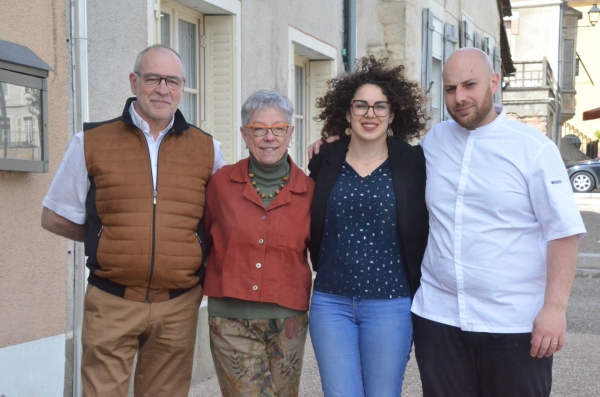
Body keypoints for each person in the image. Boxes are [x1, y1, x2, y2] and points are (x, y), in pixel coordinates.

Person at [41, 44, 226, 397]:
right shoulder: (91, 142)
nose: (162, 89)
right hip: (112, 301)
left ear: (183, 86)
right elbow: (54, 216)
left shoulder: (207, 148)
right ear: (133, 82)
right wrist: (105, 237)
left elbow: (224, 216)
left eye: (172, 81)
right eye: (153, 78)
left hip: (178, 304)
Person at [409, 47, 586, 396]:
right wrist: (338, 143)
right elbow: (385, 162)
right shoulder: (434, 141)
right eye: (450, 89)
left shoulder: (533, 149)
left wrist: (554, 308)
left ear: (493, 82)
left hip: (512, 323)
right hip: (439, 318)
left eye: (469, 85)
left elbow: (563, 233)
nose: (459, 98)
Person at [307, 56, 429, 397]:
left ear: (392, 114)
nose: (370, 114)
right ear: (347, 113)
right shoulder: (323, 161)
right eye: (360, 106)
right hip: (331, 303)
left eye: (379, 106)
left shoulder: (414, 163)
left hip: (390, 304)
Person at [202, 90, 314, 397]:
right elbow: (204, 237)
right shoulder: (221, 184)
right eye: (258, 129)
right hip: (230, 318)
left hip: (288, 318)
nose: (269, 137)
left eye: (278, 128)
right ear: (243, 133)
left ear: (290, 133)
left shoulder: (310, 190)